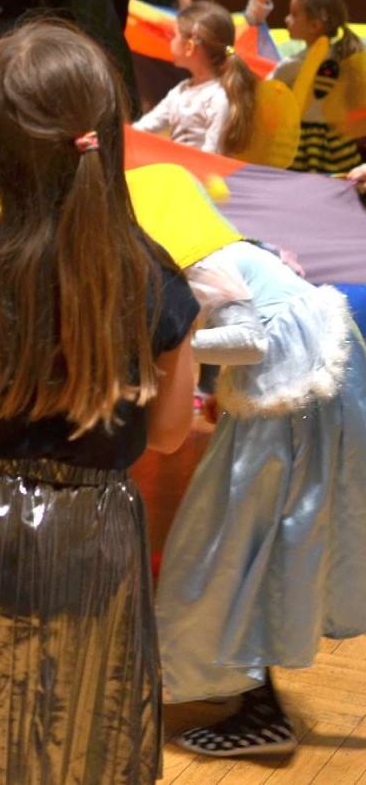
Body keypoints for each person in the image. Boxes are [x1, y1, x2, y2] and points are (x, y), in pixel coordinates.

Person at [0, 21, 200, 783]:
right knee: (76, 730)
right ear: (106, 136)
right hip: (92, 533)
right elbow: (168, 437)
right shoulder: (151, 275)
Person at [155, 242, 366, 757]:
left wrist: (155, 347)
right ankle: (255, 700)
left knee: (233, 545)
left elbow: (247, 341)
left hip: (289, 394)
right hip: (314, 385)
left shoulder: (201, 259)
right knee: (266, 544)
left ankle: (261, 711)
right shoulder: (230, 249)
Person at [253, 0, 364, 174]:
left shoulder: (293, 65)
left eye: (294, 15)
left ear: (315, 26)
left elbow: (266, 91)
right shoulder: (348, 54)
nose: (287, 19)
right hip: (338, 142)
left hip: (302, 143)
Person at [134, 1, 257, 156]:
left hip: (199, 178)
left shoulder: (217, 98)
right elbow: (144, 127)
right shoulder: (180, 91)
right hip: (178, 173)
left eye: (175, 36)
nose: (170, 42)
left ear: (189, 47)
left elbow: (212, 155)